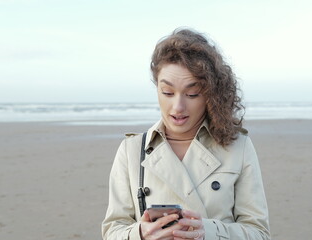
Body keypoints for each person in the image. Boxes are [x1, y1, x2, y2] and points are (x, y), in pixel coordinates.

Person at [102, 28, 271, 240]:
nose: (178, 106)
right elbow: (112, 231)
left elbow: (259, 233)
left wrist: (207, 232)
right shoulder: (132, 150)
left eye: (192, 94)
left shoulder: (238, 147)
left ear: (210, 94)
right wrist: (140, 234)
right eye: (168, 93)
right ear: (157, 89)